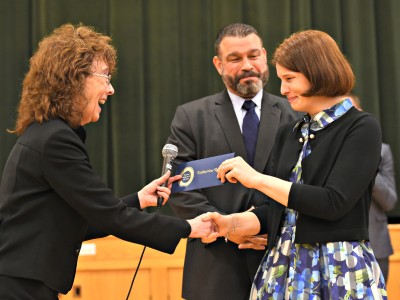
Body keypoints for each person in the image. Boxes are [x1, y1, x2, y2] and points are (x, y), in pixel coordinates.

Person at [0, 24, 212, 299]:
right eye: (105, 77)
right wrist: (189, 227)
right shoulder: (55, 140)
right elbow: (110, 216)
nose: (111, 90)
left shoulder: (48, 133)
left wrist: (138, 199)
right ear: (74, 78)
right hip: (19, 286)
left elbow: (83, 221)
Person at [206, 29, 388, 299]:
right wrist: (232, 223)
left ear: (318, 72)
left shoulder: (361, 127)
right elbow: (279, 211)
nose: (282, 90)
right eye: (281, 79)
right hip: (282, 267)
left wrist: (255, 178)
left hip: (338, 268)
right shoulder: (289, 132)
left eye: (289, 79)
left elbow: (332, 203)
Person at [166, 23, 299, 300]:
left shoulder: (295, 115)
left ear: (264, 56)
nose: (246, 65)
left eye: (253, 56)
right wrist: (229, 228)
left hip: (283, 262)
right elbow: (180, 187)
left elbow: (306, 185)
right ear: (219, 64)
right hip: (215, 269)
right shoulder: (191, 116)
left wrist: (264, 225)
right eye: (235, 59)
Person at [349, 93, 398, 282]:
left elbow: (389, 201)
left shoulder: (382, 151)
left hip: (376, 245)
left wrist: (367, 164)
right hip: (335, 248)